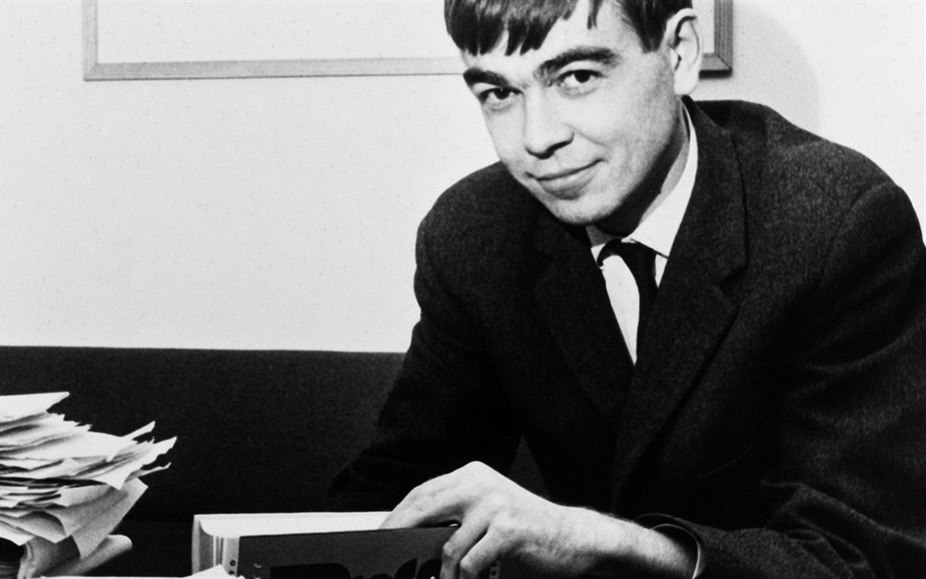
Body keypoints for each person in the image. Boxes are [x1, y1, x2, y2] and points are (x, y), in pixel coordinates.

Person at [328, 0, 926, 577]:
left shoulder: (835, 222)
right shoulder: (474, 233)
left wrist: (605, 544)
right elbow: (399, 492)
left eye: (578, 77)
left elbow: (862, 556)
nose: (537, 138)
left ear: (679, 54)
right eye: (500, 93)